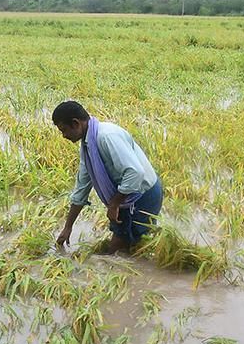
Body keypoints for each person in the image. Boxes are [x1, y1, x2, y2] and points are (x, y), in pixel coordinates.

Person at [52, 101, 162, 254]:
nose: (63, 136)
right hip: (125, 197)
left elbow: (135, 173)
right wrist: (68, 227)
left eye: (64, 130)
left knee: (117, 253)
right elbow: (81, 189)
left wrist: (114, 204)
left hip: (142, 195)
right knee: (131, 248)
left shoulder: (106, 136)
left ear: (76, 123)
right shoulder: (87, 146)